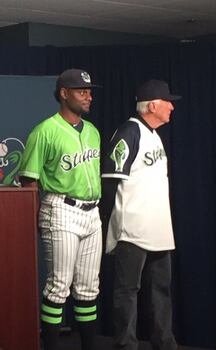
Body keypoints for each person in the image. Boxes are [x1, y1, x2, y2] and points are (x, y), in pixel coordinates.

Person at [18, 68, 102, 350]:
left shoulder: (92, 131)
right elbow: (29, 179)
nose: (88, 96)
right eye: (82, 91)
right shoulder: (45, 131)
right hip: (61, 208)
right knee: (59, 287)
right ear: (64, 94)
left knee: (88, 287)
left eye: (89, 91)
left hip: (93, 212)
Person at [102, 79, 180, 350]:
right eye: (167, 101)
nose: (171, 106)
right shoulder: (128, 132)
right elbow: (110, 181)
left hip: (159, 228)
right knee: (127, 292)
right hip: (133, 230)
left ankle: (165, 343)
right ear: (153, 105)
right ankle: (126, 345)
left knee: (161, 292)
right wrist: (111, 223)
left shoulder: (154, 135)